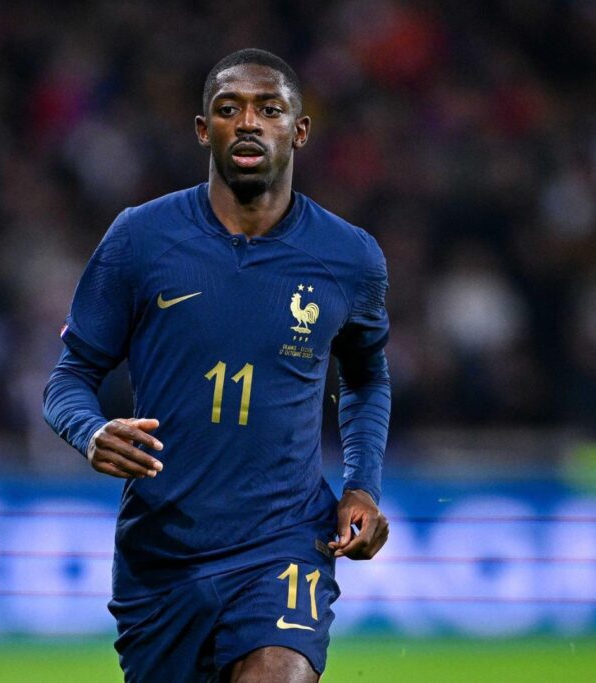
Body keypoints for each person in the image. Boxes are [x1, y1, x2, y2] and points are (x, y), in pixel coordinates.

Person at [44, 48, 391, 683]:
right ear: (205, 131)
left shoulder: (350, 258)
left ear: (300, 130)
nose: (249, 122)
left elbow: (367, 377)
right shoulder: (140, 240)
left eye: (270, 109)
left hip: (285, 539)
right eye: (229, 110)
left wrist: (362, 484)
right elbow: (69, 378)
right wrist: (90, 433)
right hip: (163, 552)